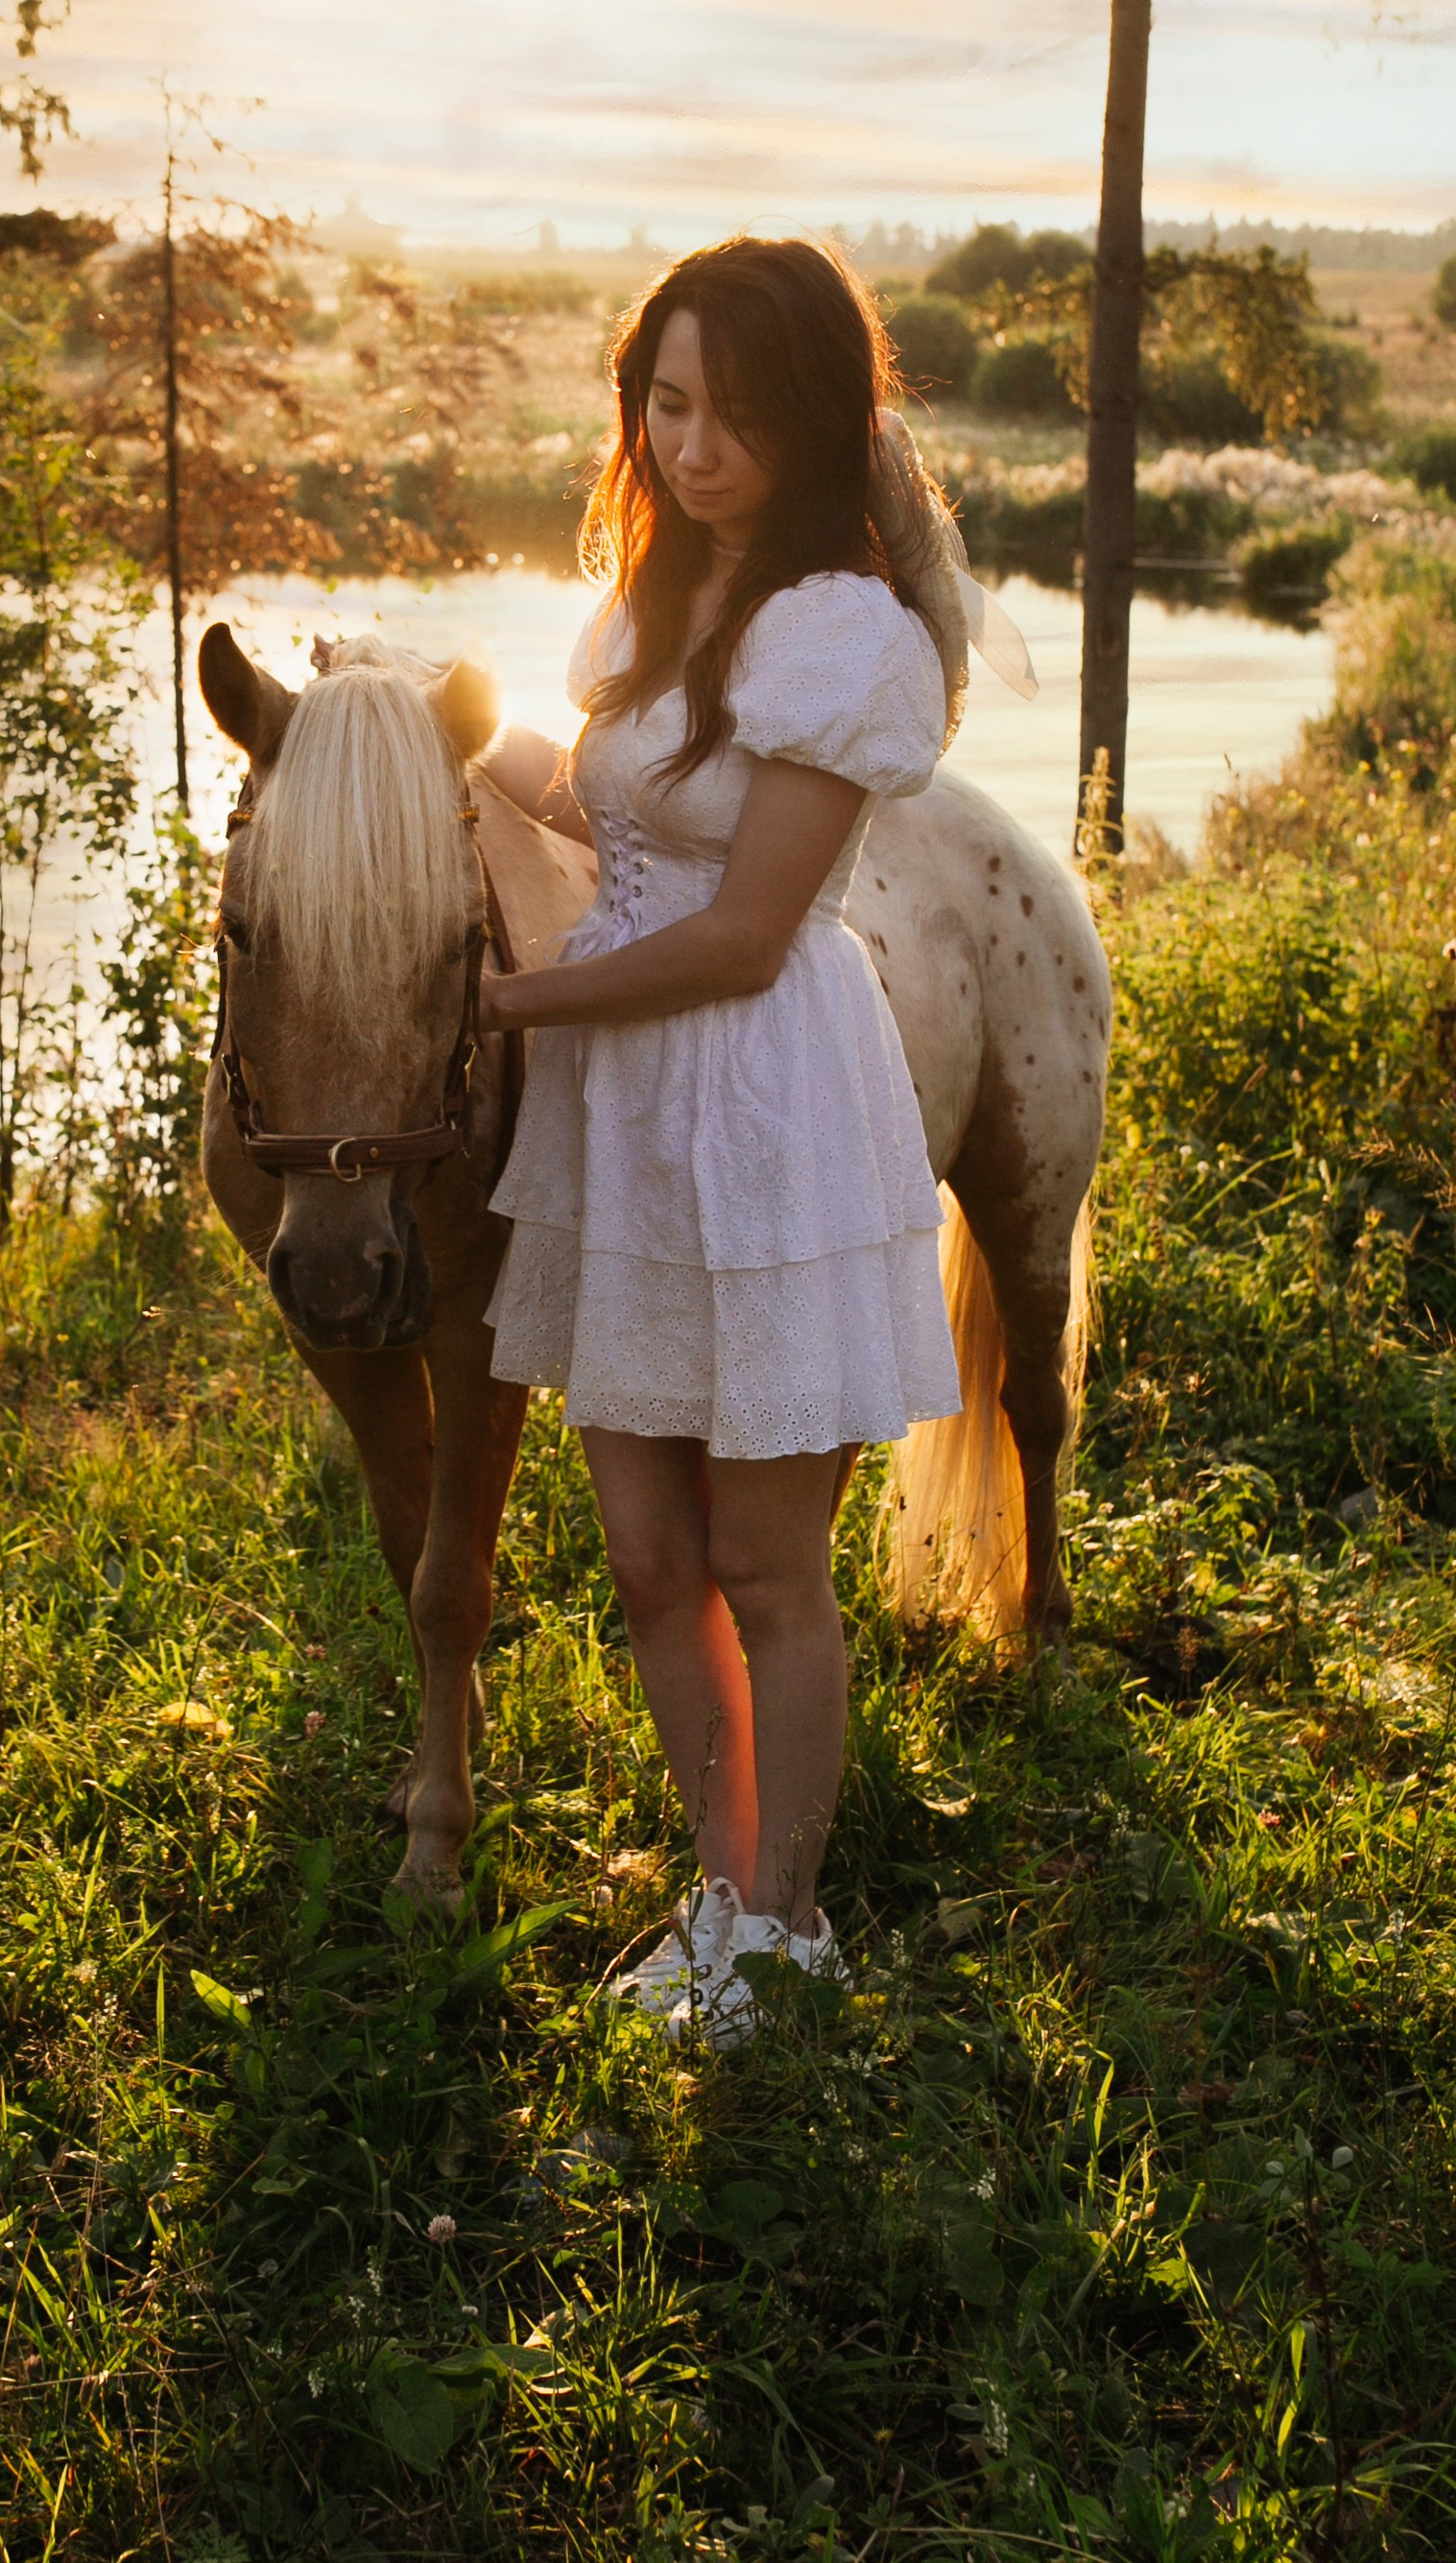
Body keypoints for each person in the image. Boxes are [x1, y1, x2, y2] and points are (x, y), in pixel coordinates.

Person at [474, 234, 967, 2044]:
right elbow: (614, 816)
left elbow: (748, 928)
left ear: (819, 426)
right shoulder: (641, 602)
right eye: (667, 404)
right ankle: (718, 1879)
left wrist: (507, 1011)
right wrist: (469, 739)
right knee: (643, 1551)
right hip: (624, 1110)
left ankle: (787, 1923)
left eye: (738, 416)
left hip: (756, 1093)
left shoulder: (841, 631)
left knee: (764, 1558)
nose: (693, 448)